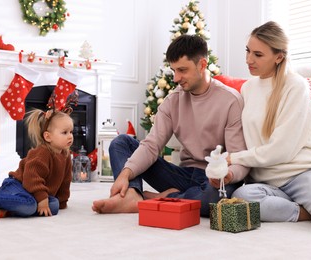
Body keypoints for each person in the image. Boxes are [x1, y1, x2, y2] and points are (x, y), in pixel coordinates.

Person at [92, 34, 250, 216]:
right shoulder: (173, 100)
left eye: (182, 70)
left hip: (216, 178)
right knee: (121, 143)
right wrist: (125, 173)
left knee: (212, 202)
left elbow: (238, 157)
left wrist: (227, 176)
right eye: (174, 70)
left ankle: (156, 198)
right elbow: (152, 145)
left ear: (202, 65)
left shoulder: (231, 100)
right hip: (183, 175)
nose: (176, 78)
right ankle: (133, 194)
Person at [228, 21, 311, 231]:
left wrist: (235, 158)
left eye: (258, 54)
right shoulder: (247, 88)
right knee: (242, 197)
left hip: (301, 173)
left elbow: (280, 150)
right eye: (248, 51)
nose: (249, 60)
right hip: (266, 182)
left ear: (278, 56)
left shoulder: (296, 86)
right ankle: (303, 211)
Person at [0, 103, 74, 220]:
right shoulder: (42, 153)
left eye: (71, 132)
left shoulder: (65, 155)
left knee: (54, 206)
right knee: (30, 205)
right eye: (65, 132)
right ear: (48, 137)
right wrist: (42, 198)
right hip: (17, 185)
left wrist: (62, 202)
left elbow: (65, 181)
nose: (70, 136)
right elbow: (31, 178)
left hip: (32, 192)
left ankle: (4, 211)